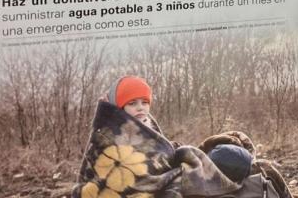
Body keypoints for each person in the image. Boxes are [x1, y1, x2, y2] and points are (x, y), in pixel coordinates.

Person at [107, 75, 254, 183]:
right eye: (132, 103)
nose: (140, 107)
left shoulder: (149, 128)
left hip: (177, 173)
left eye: (144, 102)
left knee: (230, 156)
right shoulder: (116, 139)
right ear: (120, 107)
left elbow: (168, 151)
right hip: (160, 183)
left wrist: (197, 151)